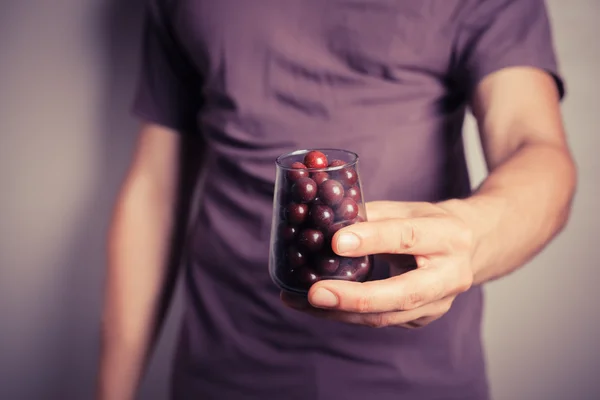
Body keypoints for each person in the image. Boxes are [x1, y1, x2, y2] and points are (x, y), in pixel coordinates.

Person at [97, 0, 576, 399]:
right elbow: (155, 191)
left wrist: (469, 236)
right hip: (222, 371)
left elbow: (535, 148)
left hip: (413, 382)